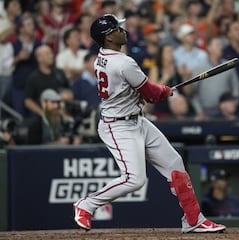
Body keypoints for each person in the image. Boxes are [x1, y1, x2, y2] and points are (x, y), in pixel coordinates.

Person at [73, 14, 226, 234]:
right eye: (117, 29)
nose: (122, 31)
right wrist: (165, 91)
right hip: (118, 126)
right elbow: (152, 94)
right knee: (135, 180)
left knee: (174, 163)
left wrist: (151, 92)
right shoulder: (123, 62)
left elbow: (139, 92)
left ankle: (193, 219)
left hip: (136, 120)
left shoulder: (103, 56)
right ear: (108, 37)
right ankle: (86, 204)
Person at [24, 45, 69, 116]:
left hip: (62, 112)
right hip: (43, 115)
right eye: (47, 54)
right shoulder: (33, 78)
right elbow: (28, 101)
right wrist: (42, 114)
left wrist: (67, 95)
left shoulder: (59, 73)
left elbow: (69, 90)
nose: (51, 56)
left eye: (51, 53)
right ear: (39, 58)